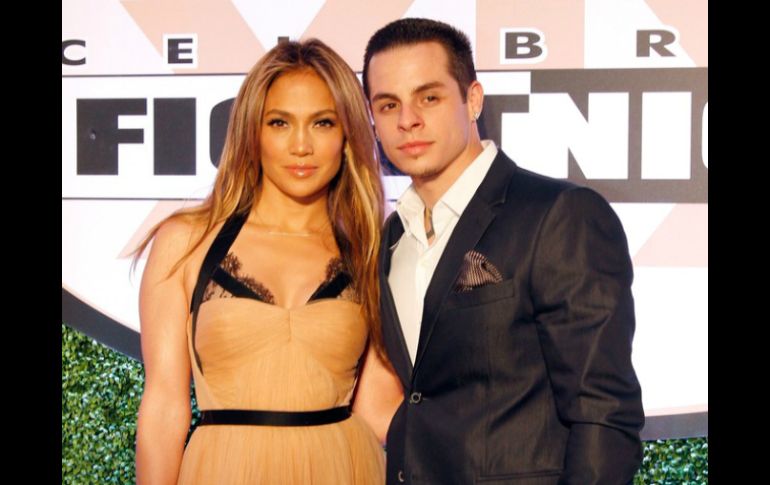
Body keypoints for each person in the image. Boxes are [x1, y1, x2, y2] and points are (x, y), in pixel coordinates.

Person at [363, 18, 645, 484]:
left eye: (429, 97)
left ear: (473, 99)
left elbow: (604, 415)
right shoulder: (392, 237)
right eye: (388, 104)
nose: (407, 119)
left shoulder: (559, 215)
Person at [134, 38, 402, 484]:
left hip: (344, 469)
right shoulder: (186, 242)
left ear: (346, 135)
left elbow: (376, 409)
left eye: (322, 123)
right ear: (252, 132)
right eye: (280, 122)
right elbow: (164, 406)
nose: (301, 146)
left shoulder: (371, 247)